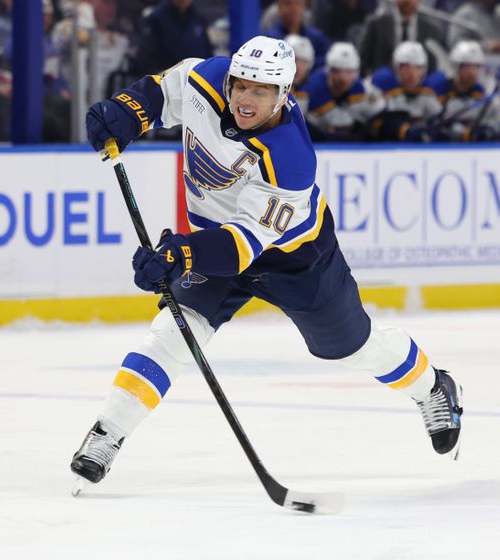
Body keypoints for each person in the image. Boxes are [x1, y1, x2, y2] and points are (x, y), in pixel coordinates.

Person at [71, 35, 464, 490]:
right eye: (241, 85)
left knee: (351, 346)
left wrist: (180, 255)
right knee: (175, 330)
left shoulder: (291, 160)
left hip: (296, 259)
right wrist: (125, 112)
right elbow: (160, 93)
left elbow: (240, 247)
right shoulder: (205, 78)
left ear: (284, 94)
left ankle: (433, 387)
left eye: (260, 90)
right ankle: (108, 433)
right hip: (214, 241)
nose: (245, 98)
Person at [297, 41, 382, 141]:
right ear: (329, 70)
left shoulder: (361, 88)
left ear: (356, 72)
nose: (343, 78)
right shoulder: (313, 88)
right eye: (337, 71)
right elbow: (338, 125)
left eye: (349, 71)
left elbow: (379, 111)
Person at [365, 41, 442, 142]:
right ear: (396, 68)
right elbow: (376, 123)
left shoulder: (428, 89)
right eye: (406, 67)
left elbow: (437, 118)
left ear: (424, 69)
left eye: (417, 67)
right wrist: (404, 130)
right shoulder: (381, 86)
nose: (411, 73)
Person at [426, 40, 497, 141]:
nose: (472, 72)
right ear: (455, 67)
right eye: (466, 66)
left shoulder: (481, 94)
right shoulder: (439, 90)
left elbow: (490, 124)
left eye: (476, 66)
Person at [358, 0, 444, 76]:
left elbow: (433, 65)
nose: (407, 1)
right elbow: (363, 60)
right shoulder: (376, 24)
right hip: (382, 86)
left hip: (418, 89)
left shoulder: (431, 29)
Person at [264, 0, 331, 71]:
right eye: (288, 3)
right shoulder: (269, 40)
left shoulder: (318, 38)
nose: (294, 9)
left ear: (304, 6)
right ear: (279, 7)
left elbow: (325, 67)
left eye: (298, 3)